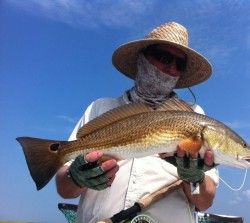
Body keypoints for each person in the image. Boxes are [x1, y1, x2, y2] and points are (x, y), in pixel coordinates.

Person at [56, 22, 219, 223]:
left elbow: (204, 202)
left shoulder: (194, 116)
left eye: (180, 65)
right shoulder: (100, 107)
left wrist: (195, 178)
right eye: (164, 58)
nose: (172, 68)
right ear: (142, 59)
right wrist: (75, 176)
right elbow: (64, 189)